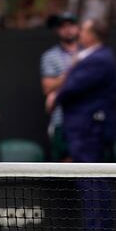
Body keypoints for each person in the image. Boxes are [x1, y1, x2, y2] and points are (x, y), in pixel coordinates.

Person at [54, 19, 116, 231]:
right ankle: (97, 228)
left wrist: (55, 96)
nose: (79, 32)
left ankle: (98, 229)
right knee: (88, 175)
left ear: (93, 35)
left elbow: (71, 87)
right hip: (81, 127)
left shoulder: (99, 58)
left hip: (89, 128)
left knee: (91, 176)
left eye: (84, 29)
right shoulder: (87, 56)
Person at [40, 11, 79, 161]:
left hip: (87, 120)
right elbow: (47, 87)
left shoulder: (88, 52)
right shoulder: (49, 56)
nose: (68, 29)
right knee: (66, 165)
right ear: (57, 30)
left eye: (71, 25)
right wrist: (73, 71)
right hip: (61, 120)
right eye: (63, 26)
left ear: (78, 28)